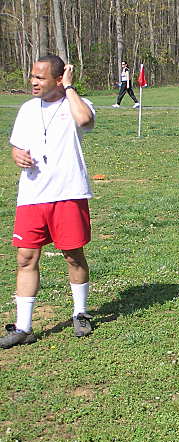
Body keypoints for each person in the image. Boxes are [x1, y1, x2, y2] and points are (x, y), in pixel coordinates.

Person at [0, 54, 96, 349]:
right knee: (25, 258)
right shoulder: (28, 109)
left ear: (58, 79)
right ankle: (24, 327)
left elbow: (85, 120)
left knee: (73, 255)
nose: (33, 82)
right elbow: (17, 146)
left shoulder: (76, 103)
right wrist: (17, 155)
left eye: (40, 77)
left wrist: (70, 87)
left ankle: (81, 313)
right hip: (32, 197)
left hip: (68, 194)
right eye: (32, 76)